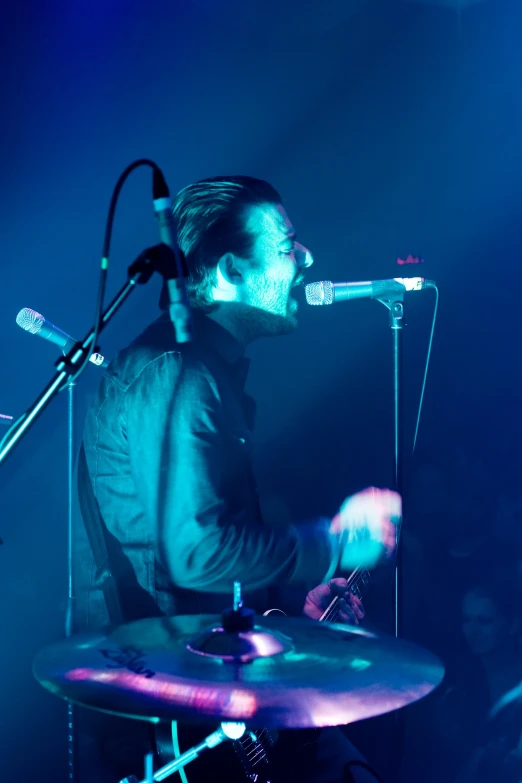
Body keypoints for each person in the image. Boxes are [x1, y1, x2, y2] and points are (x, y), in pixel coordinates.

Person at [74, 175, 401, 783]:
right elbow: (197, 553)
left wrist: (288, 610)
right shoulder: (178, 373)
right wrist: (333, 544)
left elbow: (200, 558)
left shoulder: (202, 371)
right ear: (229, 271)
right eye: (286, 245)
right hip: (171, 718)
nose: (306, 260)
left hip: (203, 685)